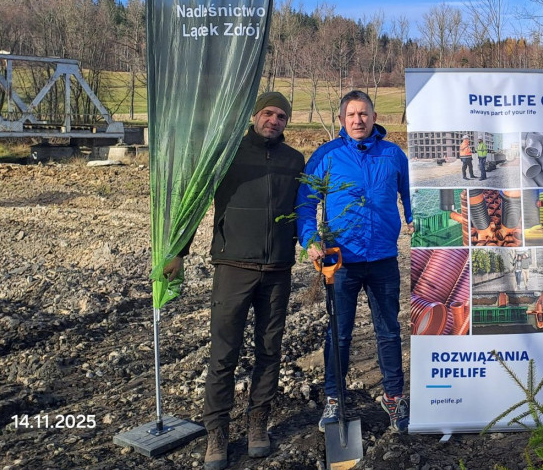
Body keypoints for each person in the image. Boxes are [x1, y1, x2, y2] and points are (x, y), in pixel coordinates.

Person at [163, 91, 305, 470]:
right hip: (232, 266)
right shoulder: (227, 154)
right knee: (223, 354)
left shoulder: (294, 160)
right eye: (267, 113)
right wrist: (179, 250)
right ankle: (217, 432)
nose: (273, 120)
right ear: (255, 116)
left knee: (269, 350)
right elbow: (195, 199)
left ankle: (258, 423)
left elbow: (304, 208)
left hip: (278, 270)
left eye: (281, 116)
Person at [296, 90, 414, 433]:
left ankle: (393, 397)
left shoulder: (393, 155)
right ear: (341, 120)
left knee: (389, 331)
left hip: (383, 259)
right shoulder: (327, 155)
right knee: (339, 333)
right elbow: (305, 203)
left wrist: (413, 218)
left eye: (363, 114)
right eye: (351, 115)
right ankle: (334, 398)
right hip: (340, 261)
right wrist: (310, 239)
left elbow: (411, 195)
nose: (358, 120)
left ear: (375, 117)